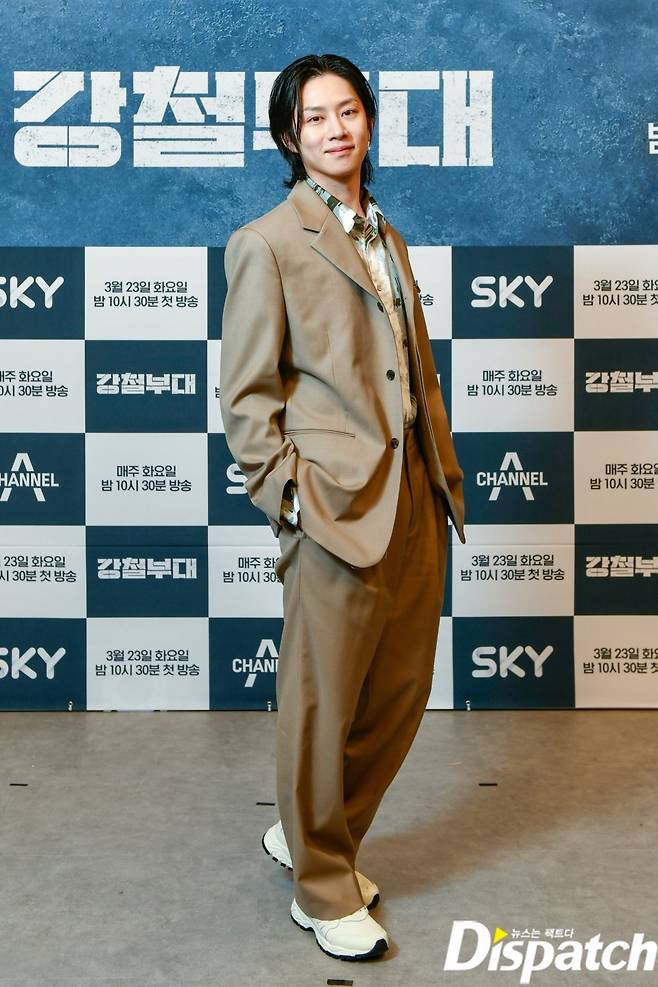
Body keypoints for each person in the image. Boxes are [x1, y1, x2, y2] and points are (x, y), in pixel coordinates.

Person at [219, 53, 466, 962]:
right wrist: (292, 496)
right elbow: (247, 395)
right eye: (315, 117)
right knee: (322, 705)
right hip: (332, 503)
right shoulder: (268, 242)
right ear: (290, 137)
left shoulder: (385, 232)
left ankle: (310, 830)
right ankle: (322, 882)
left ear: (369, 122)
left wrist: (439, 474)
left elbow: (410, 368)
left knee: (400, 692)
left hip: (415, 494)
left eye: (349, 110)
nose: (335, 128)